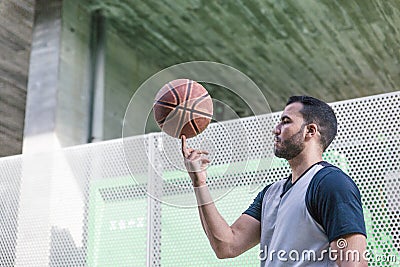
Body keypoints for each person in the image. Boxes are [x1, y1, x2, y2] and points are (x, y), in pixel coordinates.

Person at [181, 96, 367, 266]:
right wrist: (199, 182)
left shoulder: (331, 184)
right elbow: (227, 246)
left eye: (285, 122)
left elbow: (353, 263)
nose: (275, 129)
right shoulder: (271, 193)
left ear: (310, 131)